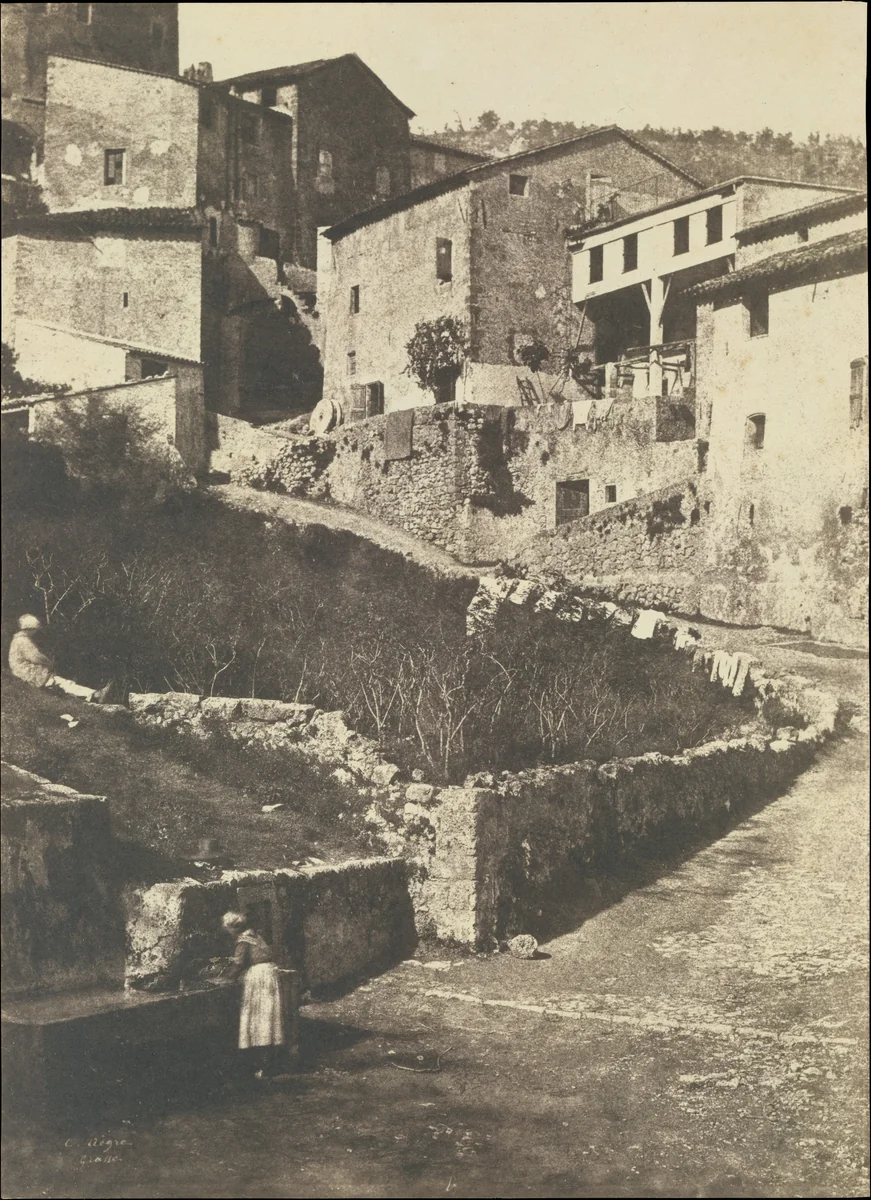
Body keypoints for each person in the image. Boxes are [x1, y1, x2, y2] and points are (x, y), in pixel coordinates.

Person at [221, 911, 286, 1079]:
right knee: (269, 1018)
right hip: (270, 974)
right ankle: (270, 1063)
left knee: (259, 1019)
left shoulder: (243, 941)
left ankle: (262, 1066)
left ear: (232, 928)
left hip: (259, 978)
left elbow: (238, 965)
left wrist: (226, 978)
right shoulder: (255, 936)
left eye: (227, 928)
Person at [7, 614, 114, 703]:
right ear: (29, 629)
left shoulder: (19, 640)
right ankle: (94, 695)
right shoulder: (23, 641)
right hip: (27, 673)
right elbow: (35, 657)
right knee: (61, 683)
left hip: (24, 671)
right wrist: (49, 662)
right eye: (34, 630)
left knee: (61, 683)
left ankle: (92, 695)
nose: (35, 632)